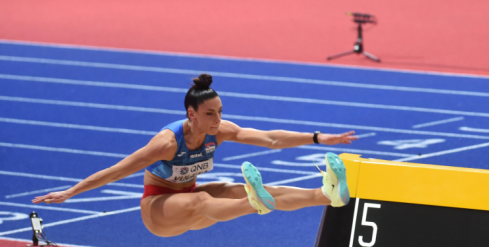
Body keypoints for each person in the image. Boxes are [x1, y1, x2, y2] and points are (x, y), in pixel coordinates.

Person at [32, 74, 358, 237]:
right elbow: (119, 170)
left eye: (220, 112)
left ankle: (326, 195)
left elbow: (270, 139)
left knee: (233, 187)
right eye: (211, 113)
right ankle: (253, 203)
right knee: (207, 200)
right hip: (158, 212)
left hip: (190, 197)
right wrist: (72, 191)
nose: (218, 120)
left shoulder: (219, 129)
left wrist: (317, 137)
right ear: (192, 113)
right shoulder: (167, 143)